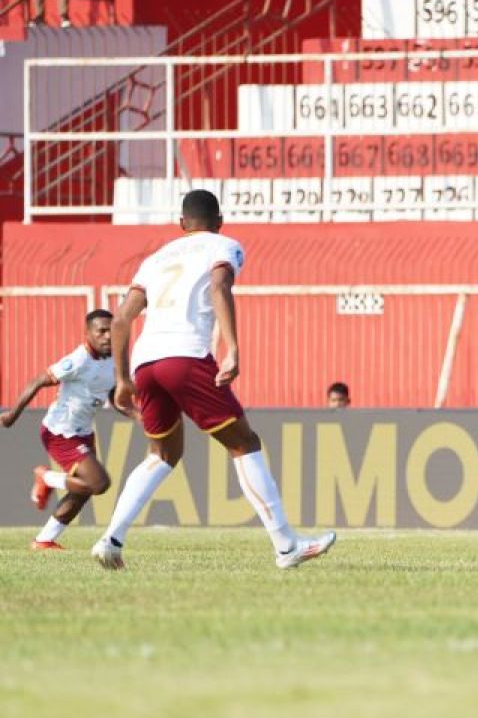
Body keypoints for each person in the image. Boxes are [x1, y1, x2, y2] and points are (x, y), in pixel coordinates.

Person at [92, 189, 336, 570]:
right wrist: (233, 349)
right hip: (185, 356)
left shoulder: (154, 259)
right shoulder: (224, 245)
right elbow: (220, 286)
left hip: (145, 363)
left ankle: (111, 539)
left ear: (181, 224)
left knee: (162, 454)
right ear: (219, 221)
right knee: (244, 443)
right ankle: (287, 545)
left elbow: (122, 319)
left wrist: (122, 380)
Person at [0, 309, 131, 550]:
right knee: (98, 483)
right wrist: (12, 415)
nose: (107, 337)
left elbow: (113, 394)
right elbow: (38, 381)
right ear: (87, 334)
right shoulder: (78, 360)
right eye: (101, 331)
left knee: (83, 491)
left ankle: (44, 540)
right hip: (60, 432)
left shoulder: (114, 359)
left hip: (82, 432)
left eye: (111, 331)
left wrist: (137, 415)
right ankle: (46, 478)